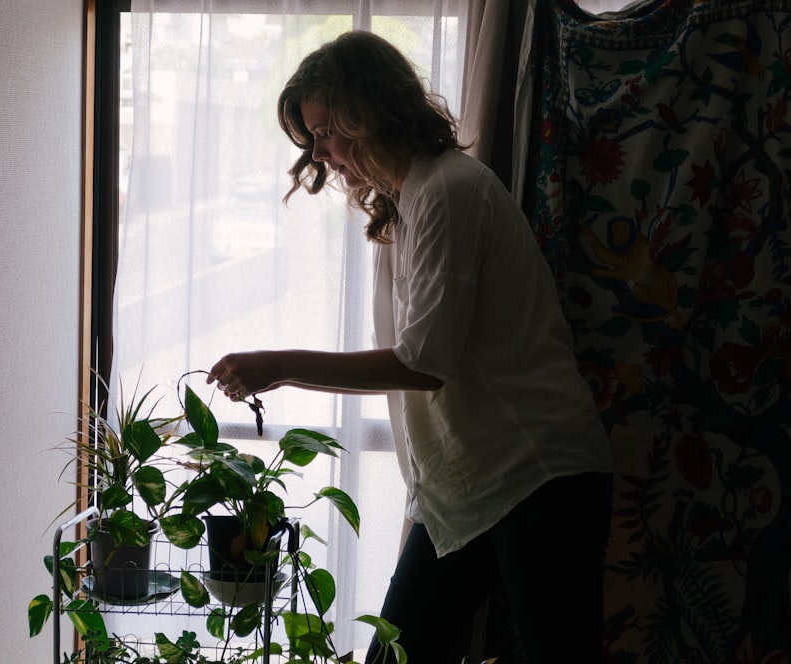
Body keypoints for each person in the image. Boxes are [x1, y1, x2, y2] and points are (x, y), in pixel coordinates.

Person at [207, 31, 614, 663]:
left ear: (366, 115)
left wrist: (278, 365)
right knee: (401, 655)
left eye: (326, 132)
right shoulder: (414, 200)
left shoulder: (449, 190)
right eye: (313, 138)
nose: (322, 154)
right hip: (471, 483)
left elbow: (425, 362)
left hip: (538, 471)